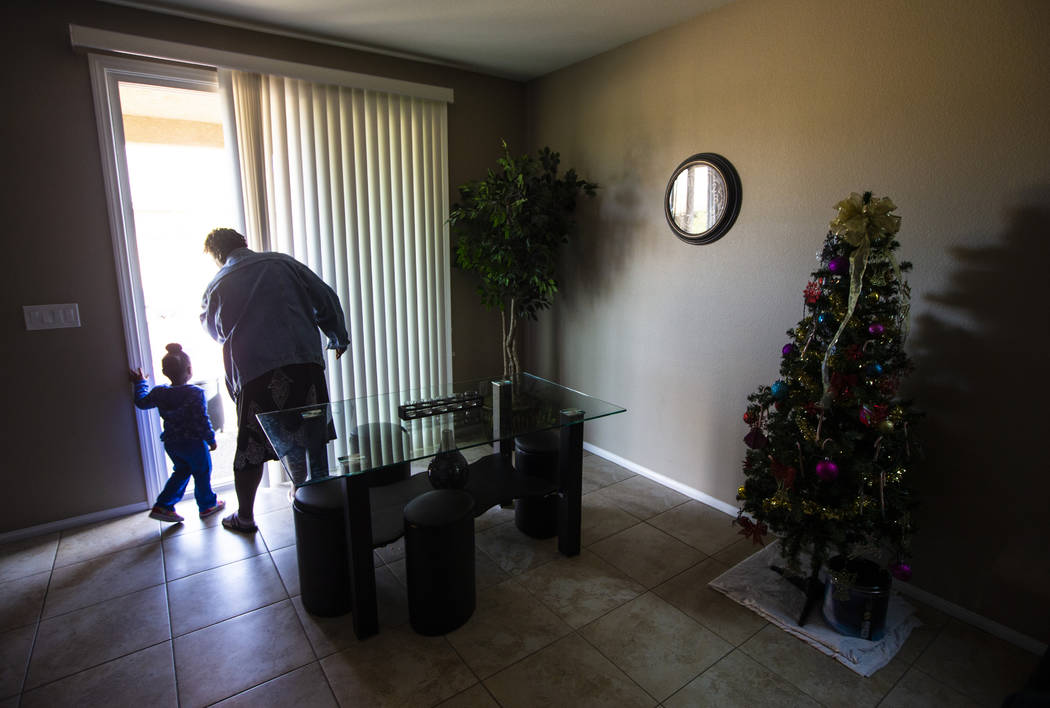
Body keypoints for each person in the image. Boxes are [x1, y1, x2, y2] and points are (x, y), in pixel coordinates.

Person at [200, 227, 349, 533]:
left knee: (251, 445)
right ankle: (315, 499)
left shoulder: (217, 285)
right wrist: (337, 336)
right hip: (303, 363)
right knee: (312, 432)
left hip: (256, 374)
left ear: (217, 256)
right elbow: (324, 297)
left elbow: (215, 331)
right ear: (243, 242)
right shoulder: (283, 263)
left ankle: (245, 517)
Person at [131, 343, 224, 523]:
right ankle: (207, 505)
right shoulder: (195, 393)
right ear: (189, 370)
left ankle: (164, 505)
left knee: (181, 471)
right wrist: (211, 439)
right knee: (202, 471)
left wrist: (140, 382)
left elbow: (142, 402)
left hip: (172, 443)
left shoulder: (159, 392)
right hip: (194, 443)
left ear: (164, 371)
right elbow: (202, 419)